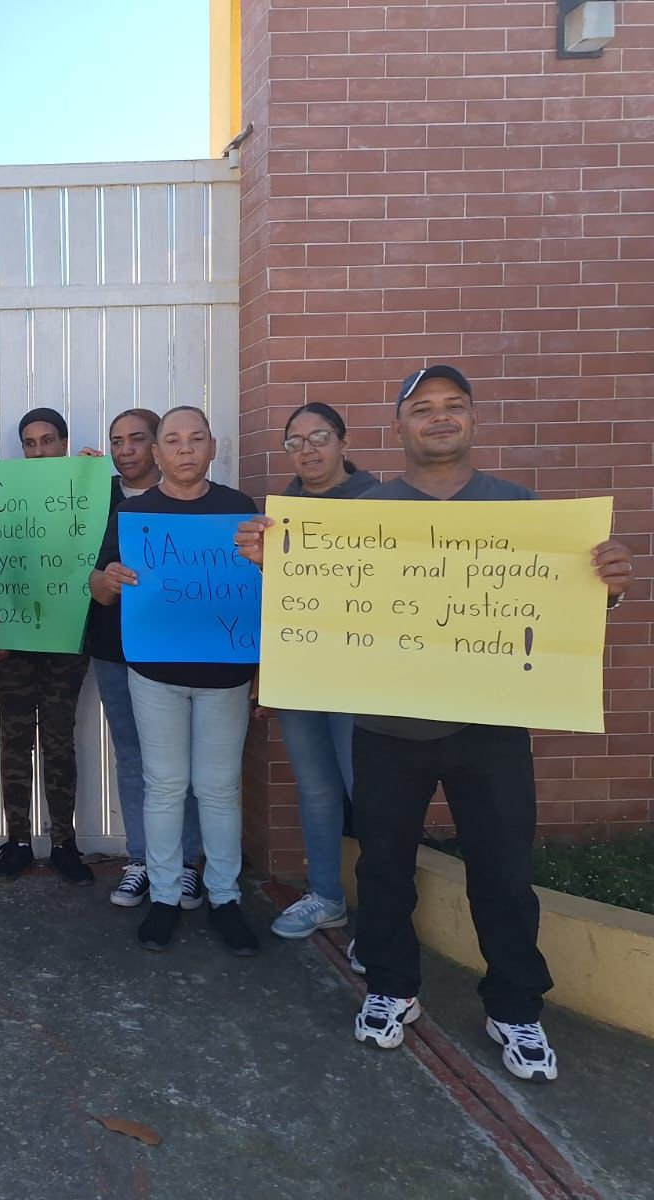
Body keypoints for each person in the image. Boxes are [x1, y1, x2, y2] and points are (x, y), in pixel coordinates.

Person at [237, 365, 634, 1083]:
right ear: (399, 427)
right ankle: (391, 988)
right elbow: (321, 602)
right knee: (385, 867)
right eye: (423, 408)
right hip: (389, 727)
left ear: (474, 419)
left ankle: (515, 1006)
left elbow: (561, 613)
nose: (440, 418)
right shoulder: (365, 515)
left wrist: (604, 591)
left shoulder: (522, 513)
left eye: (454, 406)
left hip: (491, 728)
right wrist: (278, 566)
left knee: (506, 873)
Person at [100, 407, 260, 956]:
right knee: (164, 785)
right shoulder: (135, 512)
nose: (185, 449)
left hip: (226, 673)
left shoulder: (240, 510)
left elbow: (269, 589)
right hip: (155, 671)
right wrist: (111, 577)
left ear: (213, 448)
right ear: (158, 453)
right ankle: (166, 897)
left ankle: (224, 897)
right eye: (174, 440)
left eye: (196, 439)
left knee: (218, 789)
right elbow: (98, 588)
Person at [0, 407, 95, 884]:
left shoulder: (87, 487)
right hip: (11, 637)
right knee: (15, 738)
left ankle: (64, 843)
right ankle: (17, 841)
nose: (39, 451)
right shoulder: (0, 494)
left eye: (48, 441)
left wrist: (97, 482)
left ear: (64, 443)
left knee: (59, 738)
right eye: (30, 443)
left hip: (65, 637)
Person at [263, 403, 378, 940]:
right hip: (301, 667)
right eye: (295, 442)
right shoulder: (282, 513)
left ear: (343, 442)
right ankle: (327, 897)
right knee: (315, 788)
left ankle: (381, 922)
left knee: (369, 790)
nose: (307, 450)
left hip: (359, 672)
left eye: (319, 437)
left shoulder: (383, 503)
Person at [84, 409, 204, 909]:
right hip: (115, 648)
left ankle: (188, 863)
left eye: (137, 439)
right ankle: (142, 860)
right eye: (116, 441)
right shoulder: (97, 496)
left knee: (188, 762)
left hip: (185, 652)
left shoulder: (191, 499)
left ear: (156, 447)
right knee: (133, 757)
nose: (125, 448)